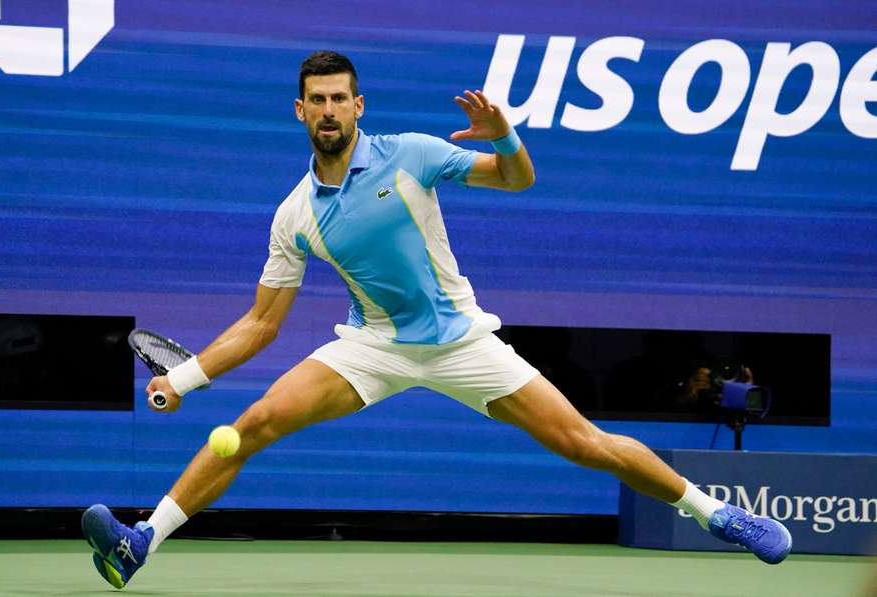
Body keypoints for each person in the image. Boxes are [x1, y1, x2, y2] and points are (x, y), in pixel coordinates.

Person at [81, 50, 792, 589]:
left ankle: (718, 513)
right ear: (299, 111)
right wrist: (191, 377)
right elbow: (263, 322)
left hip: (461, 341)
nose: (329, 110)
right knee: (257, 422)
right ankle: (139, 542)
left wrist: (506, 137)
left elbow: (517, 179)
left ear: (359, 105)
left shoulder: (413, 155)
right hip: (374, 346)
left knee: (585, 443)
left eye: (339, 98)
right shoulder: (294, 214)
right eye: (316, 101)